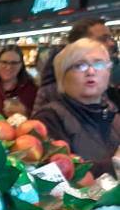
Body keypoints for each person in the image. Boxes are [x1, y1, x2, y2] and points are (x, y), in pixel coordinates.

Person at [36, 38, 120, 176]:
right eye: (80, 66)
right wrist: (114, 165)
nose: (91, 72)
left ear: (108, 72)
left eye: (99, 64)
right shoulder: (49, 118)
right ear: (62, 76)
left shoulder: (114, 117)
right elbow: (55, 177)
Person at [33, 17, 118, 115]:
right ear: (79, 43)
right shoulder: (51, 92)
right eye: (103, 39)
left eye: (110, 38)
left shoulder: (102, 81)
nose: (111, 43)